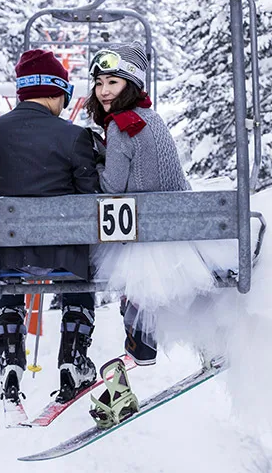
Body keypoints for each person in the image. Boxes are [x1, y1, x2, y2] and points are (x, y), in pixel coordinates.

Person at [0, 49, 102, 404]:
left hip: (6, 256)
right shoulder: (75, 137)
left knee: (7, 276)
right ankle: (73, 357)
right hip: (65, 258)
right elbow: (89, 199)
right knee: (80, 273)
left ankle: (9, 356)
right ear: (58, 92)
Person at [84, 43, 219, 366]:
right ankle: (209, 343)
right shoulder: (152, 118)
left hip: (145, 232)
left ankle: (140, 341)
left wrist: (96, 161)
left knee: (128, 267)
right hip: (177, 227)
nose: (104, 91)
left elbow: (112, 187)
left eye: (113, 82)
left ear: (131, 84)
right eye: (99, 83)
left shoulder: (121, 124)